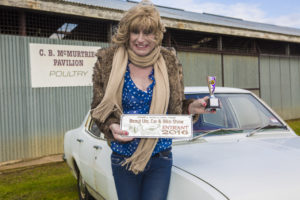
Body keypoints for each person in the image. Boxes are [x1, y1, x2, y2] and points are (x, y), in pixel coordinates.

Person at [91, 1, 213, 199]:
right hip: (123, 157)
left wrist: (192, 107)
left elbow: (176, 108)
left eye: (147, 32)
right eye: (135, 32)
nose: (141, 39)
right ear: (127, 33)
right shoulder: (108, 61)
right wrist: (112, 127)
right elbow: (98, 109)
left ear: (157, 35)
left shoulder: (169, 62)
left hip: (160, 157)